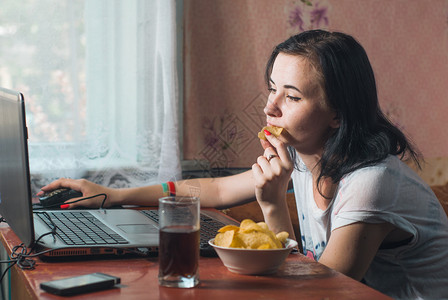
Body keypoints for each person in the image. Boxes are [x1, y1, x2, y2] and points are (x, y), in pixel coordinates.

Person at [39, 29, 448, 299]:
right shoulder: (307, 156)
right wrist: (114, 195)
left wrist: (271, 204)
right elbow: (215, 190)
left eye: (292, 96)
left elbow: (322, 291)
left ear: (337, 113)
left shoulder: (370, 181)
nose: (269, 107)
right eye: (271, 88)